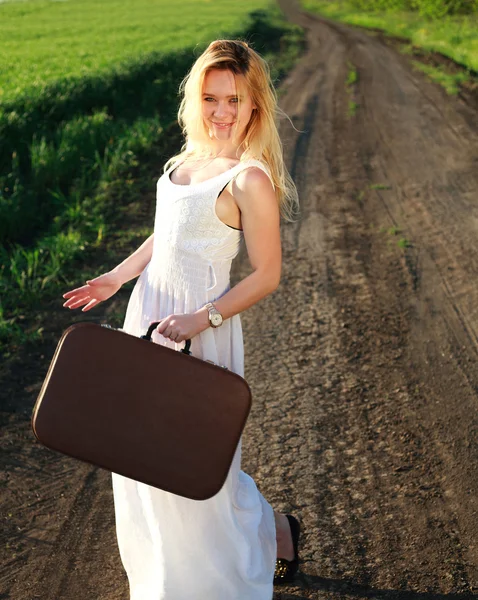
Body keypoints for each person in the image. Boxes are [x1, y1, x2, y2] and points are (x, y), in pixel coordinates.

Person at [62, 39, 301, 599]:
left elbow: (267, 274)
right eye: (211, 97)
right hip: (146, 317)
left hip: (199, 330)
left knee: (193, 469)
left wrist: (203, 318)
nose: (221, 112)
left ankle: (261, 545)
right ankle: (166, 580)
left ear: (253, 108)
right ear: (196, 99)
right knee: (137, 458)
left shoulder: (249, 179)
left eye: (234, 100)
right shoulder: (184, 165)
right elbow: (165, 235)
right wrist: (116, 279)